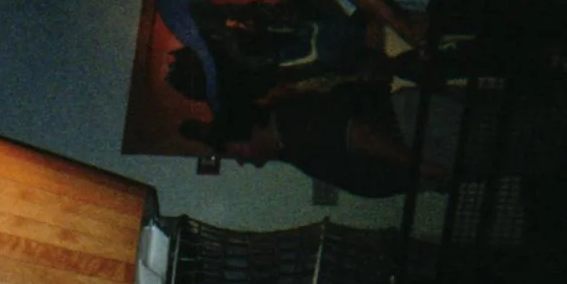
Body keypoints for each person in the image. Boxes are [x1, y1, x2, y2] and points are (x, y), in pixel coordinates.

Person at [178, 79, 450, 197]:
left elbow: (362, 136)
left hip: (419, 134)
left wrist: (421, 166)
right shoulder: (286, 142)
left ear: (252, 132)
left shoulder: (293, 125)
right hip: (416, 145)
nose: (241, 160)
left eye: (238, 151)